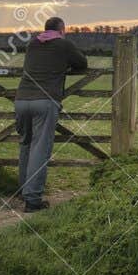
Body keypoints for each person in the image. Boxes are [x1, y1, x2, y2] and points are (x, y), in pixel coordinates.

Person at [13, 17, 88, 212]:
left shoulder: (32, 44)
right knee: (40, 148)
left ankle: (24, 190)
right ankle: (33, 200)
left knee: (26, 144)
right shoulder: (64, 45)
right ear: (62, 30)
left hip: (21, 100)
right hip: (45, 101)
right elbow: (82, 63)